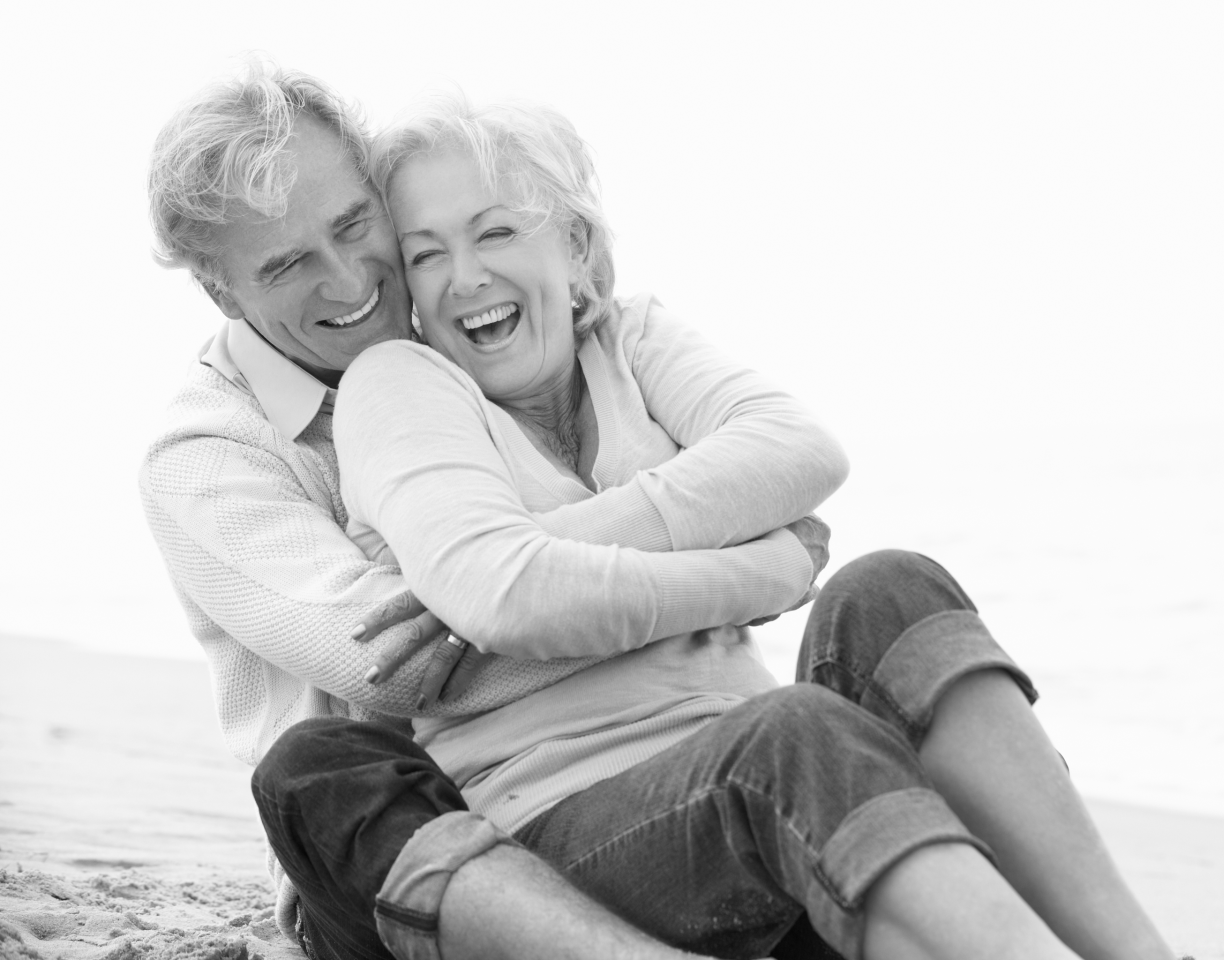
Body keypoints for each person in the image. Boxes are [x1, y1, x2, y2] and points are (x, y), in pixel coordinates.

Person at [254, 95, 1183, 960]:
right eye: (427, 254)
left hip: (762, 785)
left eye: (496, 231)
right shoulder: (401, 386)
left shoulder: (630, 340)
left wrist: (550, 549)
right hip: (568, 829)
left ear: (573, 244)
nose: (466, 278)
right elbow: (510, 597)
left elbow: (801, 452)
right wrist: (766, 570)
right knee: (794, 734)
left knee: (894, 588)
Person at [138, 61, 801, 960]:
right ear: (222, 292)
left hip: (606, 789)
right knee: (320, 765)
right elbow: (399, 668)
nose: (348, 280)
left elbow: (511, 590)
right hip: (393, 844)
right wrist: (761, 571)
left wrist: (512, 582)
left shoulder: (462, 345)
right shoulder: (207, 458)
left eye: (353, 225)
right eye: (288, 263)